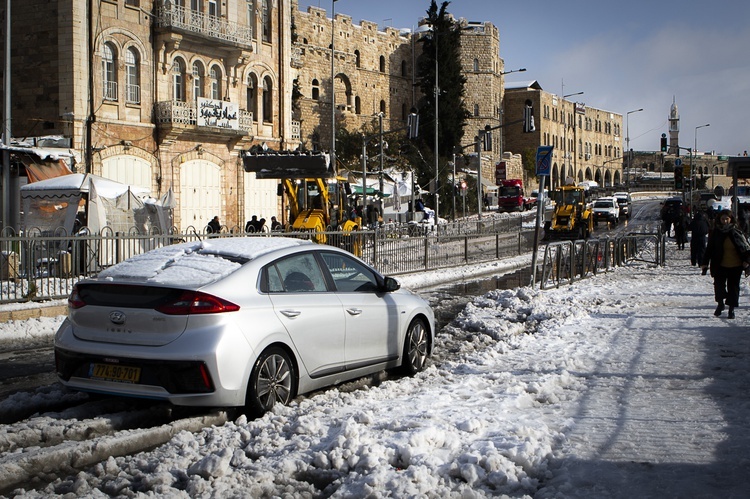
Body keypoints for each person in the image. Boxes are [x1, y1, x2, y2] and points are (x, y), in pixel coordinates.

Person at [701, 210, 750, 319]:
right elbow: (709, 248)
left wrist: (747, 260)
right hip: (719, 264)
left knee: (733, 288)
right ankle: (720, 304)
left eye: (726, 219)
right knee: (719, 287)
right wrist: (704, 263)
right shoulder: (716, 233)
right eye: (722, 219)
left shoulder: (737, 232)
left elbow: (746, 248)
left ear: (731, 219)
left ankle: (731, 309)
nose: (725, 221)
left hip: (735, 265)